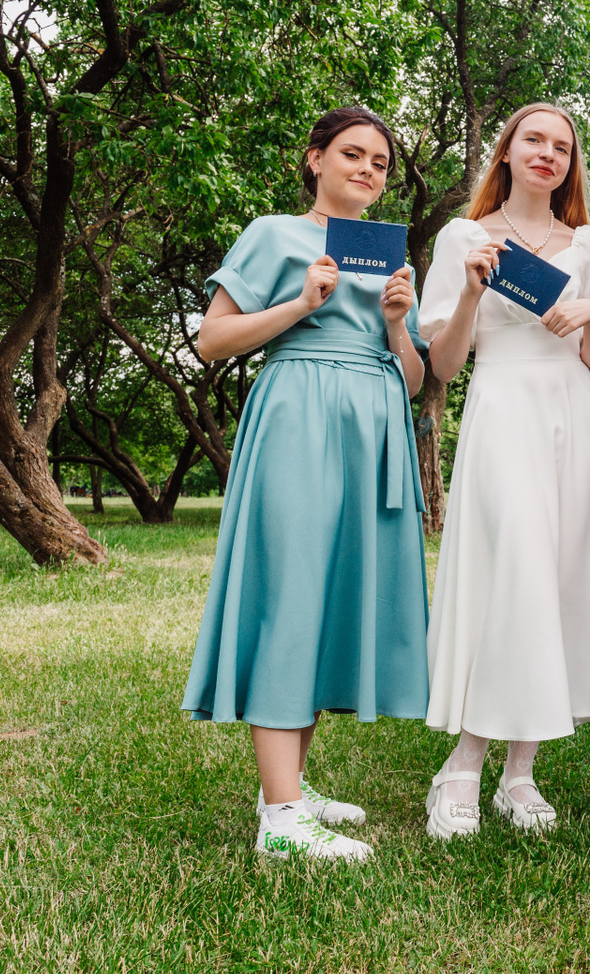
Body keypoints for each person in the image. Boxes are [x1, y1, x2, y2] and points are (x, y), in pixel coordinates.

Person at [182, 105, 429, 862]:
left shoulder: (389, 256)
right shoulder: (274, 234)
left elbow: (416, 381)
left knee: (328, 597)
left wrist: (398, 323)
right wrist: (300, 304)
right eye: (353, 154)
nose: (367, 170)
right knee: (291, 591)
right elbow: (210, 341)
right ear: (316, 158)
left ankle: (284, 786)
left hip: (374, 427)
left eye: (380, 163)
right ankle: (283, 821)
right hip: (298, 419)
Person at [417, 103, 590, 839]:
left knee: (558, 578)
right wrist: (473, 290)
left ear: (571, 165)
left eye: (561, 146)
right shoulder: (464, 236)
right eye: (533, 140)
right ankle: (461, 767)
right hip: (503, 409)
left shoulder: (588, 246)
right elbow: (444, 364)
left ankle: (520, 774)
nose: (547, 153)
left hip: (571, 414)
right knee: (514, 571)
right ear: (506, 151)